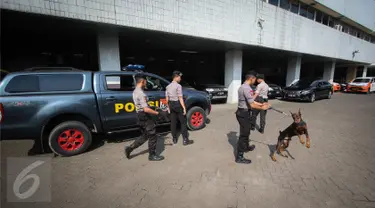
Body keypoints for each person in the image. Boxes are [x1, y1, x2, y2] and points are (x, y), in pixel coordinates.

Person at [125, 74, 168, 161]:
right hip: (145, 116)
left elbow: (142, 106)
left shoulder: (135, 91)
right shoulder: (141, 93)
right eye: (146, 81)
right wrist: (157, 113)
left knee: (145, 135)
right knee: (152, 135)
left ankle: (130, 148)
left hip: (140, 115)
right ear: (142, 81)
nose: (146, 83)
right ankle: (152, 155)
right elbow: (145, 109)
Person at [236, 71, 270, 164]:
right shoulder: (246, 88)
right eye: (255, 79)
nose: (255, 81)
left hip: (244, 112)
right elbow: (252, 104)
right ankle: (239, 157)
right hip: (243, 113)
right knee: (243, 135)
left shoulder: (244, 87)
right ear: (251, 78)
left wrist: (262, 103)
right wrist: (262, 107)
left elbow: (252, 102)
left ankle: (246, 147)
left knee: (246, 132)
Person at [165, 71, 194, 146]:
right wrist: (184, 108)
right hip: (177, 104)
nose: (180, 79)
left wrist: (168, 108)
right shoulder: (178, 86)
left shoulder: (168, 87)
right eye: (180, 77)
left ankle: (174, 139)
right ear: (176, 77)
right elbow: (180, 98)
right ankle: (185, 140)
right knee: (183, 122)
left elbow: (167, 99)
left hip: (171, 105)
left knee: (173, 122)